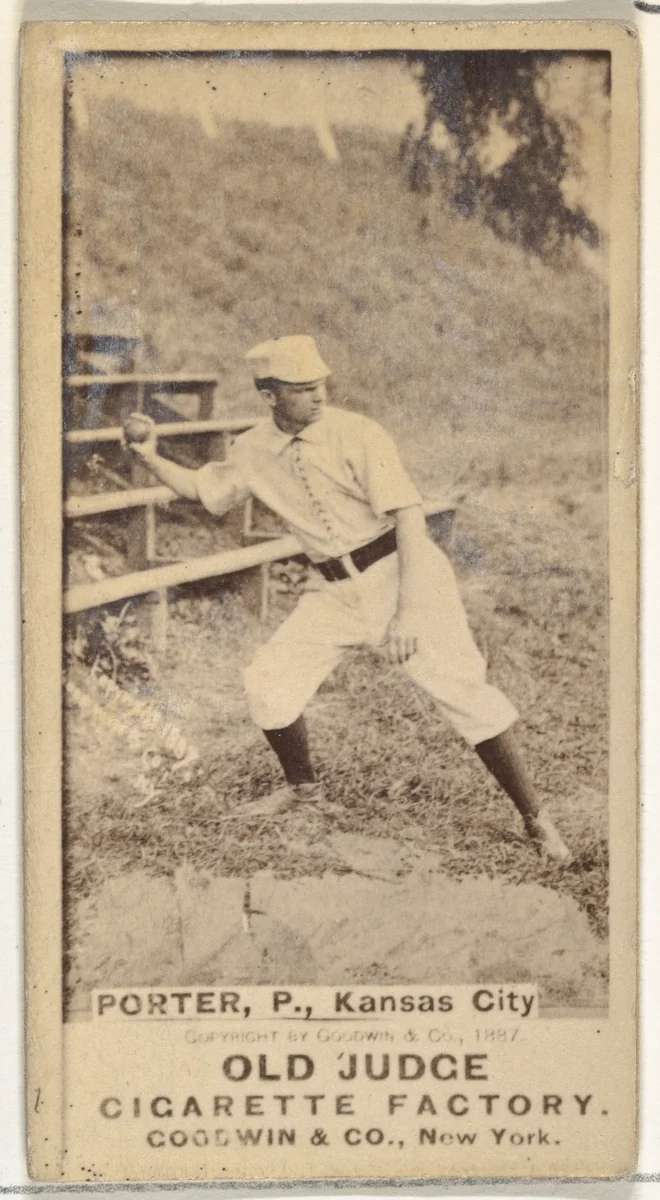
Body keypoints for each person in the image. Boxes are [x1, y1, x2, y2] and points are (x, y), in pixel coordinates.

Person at [124, 335, 570, 861]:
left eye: (321, 385)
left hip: (403, 570)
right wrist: (148, 455)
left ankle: (536, 819)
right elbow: (206, 490)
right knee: (268, 680)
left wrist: (408, 611)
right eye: (303, 389)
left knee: (463, 692)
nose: (318, 396)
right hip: (332, 590)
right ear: (269, 396)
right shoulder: (251, 450)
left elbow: (408, 516)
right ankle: (303, 792)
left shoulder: (357, 433)